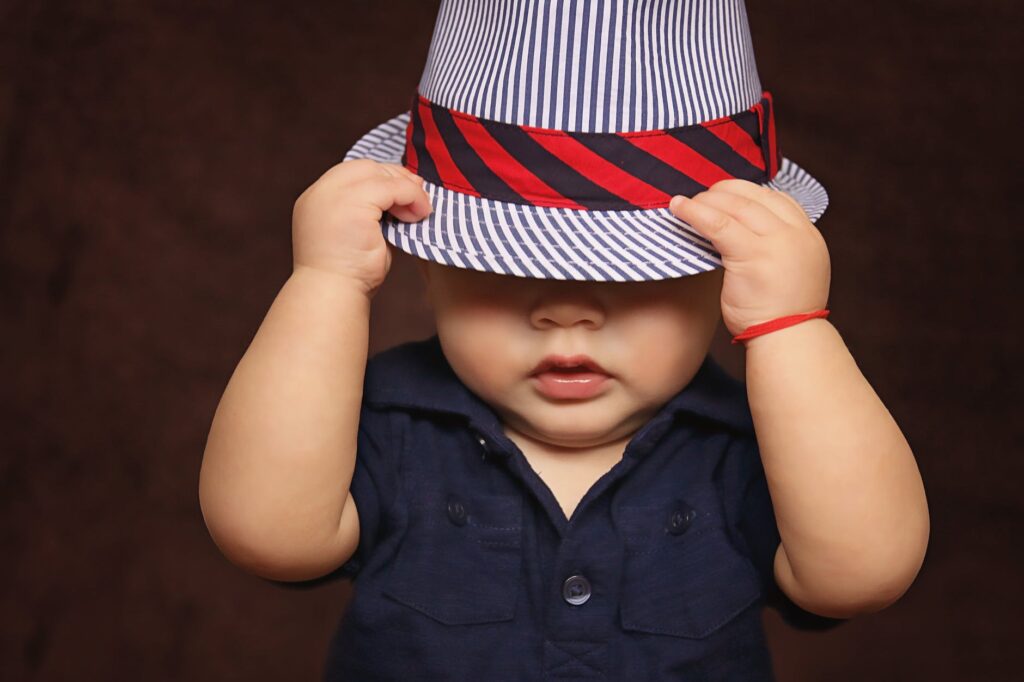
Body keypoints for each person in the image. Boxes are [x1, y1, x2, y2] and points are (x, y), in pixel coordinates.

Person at [199, 1, 929, 679]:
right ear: (428, 268)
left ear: (723, 283)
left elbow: (863, 574)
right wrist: (324, 284)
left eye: (640, 276)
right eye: (507, 267)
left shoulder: (758, 448)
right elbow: (267, 533)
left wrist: (792, 328)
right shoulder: (389, 429)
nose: (567, 311)